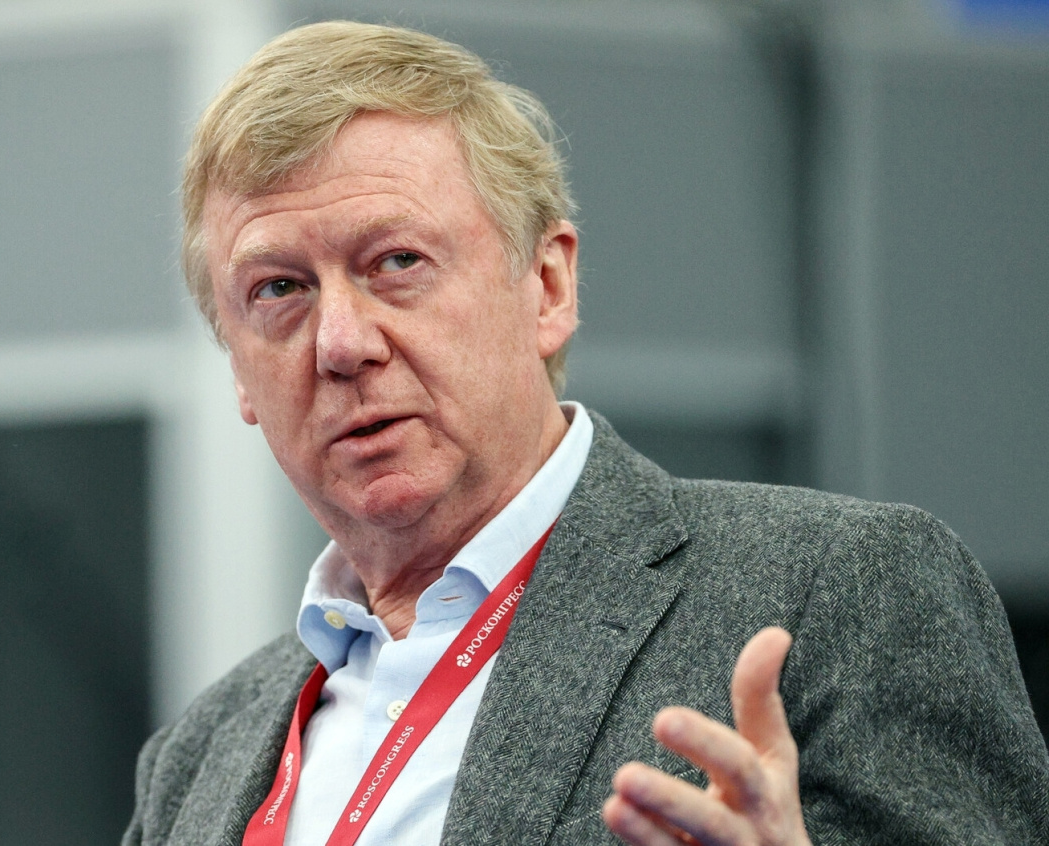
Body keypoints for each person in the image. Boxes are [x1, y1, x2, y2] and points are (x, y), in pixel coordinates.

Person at [124, 20, 1049, 846]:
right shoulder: (200, 753)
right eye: (278, 290)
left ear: (547, 288)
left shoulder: (839, 594)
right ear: (237, 368)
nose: (340, 343)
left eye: (397, 261)